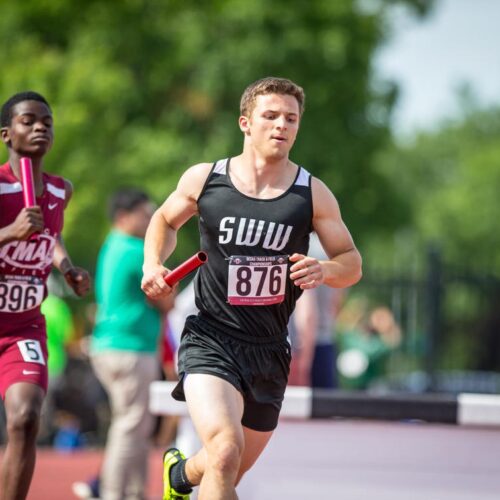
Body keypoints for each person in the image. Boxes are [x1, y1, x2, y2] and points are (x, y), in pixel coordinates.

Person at [141, 76, 362, 500]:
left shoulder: (311, 194)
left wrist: (326, 269)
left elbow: (352, 262)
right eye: (271, 116)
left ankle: (181, 475)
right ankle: (191, 474)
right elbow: (165, 221)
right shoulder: (207, 179)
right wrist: (154, 263)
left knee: (224, 476)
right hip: (211, 336)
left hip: (268, 348)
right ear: (245, 123)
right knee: (224, 453)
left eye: (291, 119)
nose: (282, 125)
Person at [0, 91, 90, 500]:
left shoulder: (60, 190)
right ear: (7, 134)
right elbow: (23, 232)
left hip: (23, 329)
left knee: (25, 418)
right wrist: (9, 233)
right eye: (28, 121)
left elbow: (51, 236)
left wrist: (66, 267)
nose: (39, 128)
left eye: (46, 123)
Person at [87, 188, 173, 500]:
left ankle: (134, 492)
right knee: (131, 425)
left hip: (109, 346)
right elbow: (165, 300)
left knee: (135, 425)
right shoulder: (137, 251)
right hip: (131, 347)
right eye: (145, 214)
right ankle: (112, 493)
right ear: (124, 217)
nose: (151, 220)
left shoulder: (111, 246)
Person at [288, 233, 343, 388]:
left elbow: (307, 313)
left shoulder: (294, 245)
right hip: (325, 338)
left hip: (298, 345)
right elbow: (336, 303)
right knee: (325, 408)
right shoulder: (336, 249)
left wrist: (304, 359)